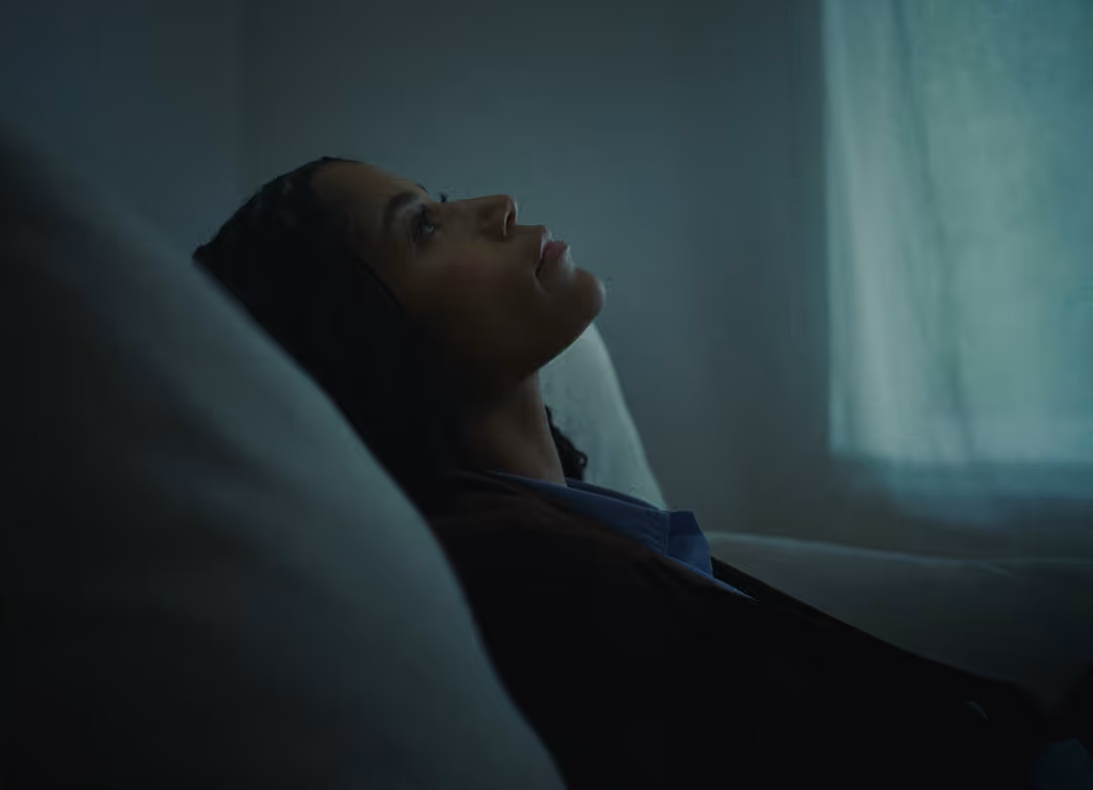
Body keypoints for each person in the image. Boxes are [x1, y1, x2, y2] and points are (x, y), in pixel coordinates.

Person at [193, 157, 1087, 790]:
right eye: (424, 227)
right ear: (357, 346)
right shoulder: (532, 581)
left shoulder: (581, 526)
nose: (499, 202)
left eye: (441, 196)